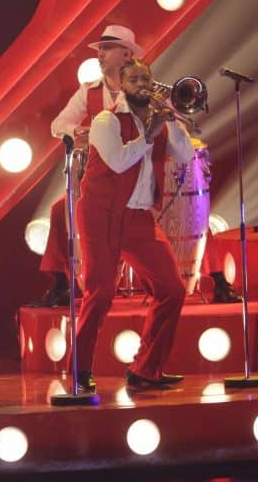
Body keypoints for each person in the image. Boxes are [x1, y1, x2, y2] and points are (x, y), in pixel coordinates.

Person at [75, 59, 193, 391]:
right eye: (134, 79)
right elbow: (118, 161)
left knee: (171, 289)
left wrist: (173, 119)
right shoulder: (106, 120)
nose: (142, 84)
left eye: (147, 78)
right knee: (100, 294)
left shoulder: (159, 120)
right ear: (121, 85)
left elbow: (184, 156)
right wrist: (151, 134)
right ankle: (80, 368)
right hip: (102, 213)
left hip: (139, 217)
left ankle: (146, 370)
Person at [32, 25, 140, 307]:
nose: (100, 54)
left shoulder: (144, 89)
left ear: (126, 54)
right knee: (60, 209)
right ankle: (61, 282)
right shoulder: (88, 91)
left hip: (137, 179)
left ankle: (215, 277)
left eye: (107, 49)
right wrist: (76, 132)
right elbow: (59, 125)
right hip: (99, 178)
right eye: (100, 49)